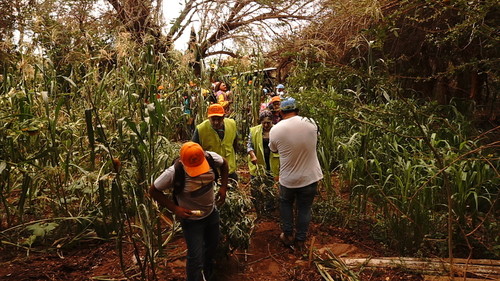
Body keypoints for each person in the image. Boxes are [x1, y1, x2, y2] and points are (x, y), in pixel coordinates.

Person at [149, 142, 229, 281]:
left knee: (211, 246)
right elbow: (153, 190)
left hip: (211, 212)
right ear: (182, 162)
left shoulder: (211, 158)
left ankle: (208, 274)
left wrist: (223, 187)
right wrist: (175, 208)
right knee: (195, 257)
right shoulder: (174, 172)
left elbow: (225, 164)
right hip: (192, 221)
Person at [269, 97, 323, 252]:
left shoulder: (276, 129)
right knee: (305, 207)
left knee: (286, 203)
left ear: (280, 112)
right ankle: (300, 241)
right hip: (310, 176)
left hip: (288, 179)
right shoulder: (311, 123)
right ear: (298, 110)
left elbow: (273, 150)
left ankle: (287, 235)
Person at [192, 104, 238, 182]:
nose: (216, 122)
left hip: (229, 170)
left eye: (219, 119)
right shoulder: (201, 129)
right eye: (213, 119)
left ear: (224, 117)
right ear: (208, 118)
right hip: (211, 171)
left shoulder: (232, 124)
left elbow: (235, 142)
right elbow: (194, 149)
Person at [247, 110, 279, 178]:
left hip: (273, 161)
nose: (266, 125)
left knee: (270, 183)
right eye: (264, 123)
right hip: (258, 161)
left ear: (272, 121)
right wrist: (252, 156)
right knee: (256, 182)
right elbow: (249, 145)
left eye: (268, 123)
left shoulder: (277, 130)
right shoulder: (254, 131)